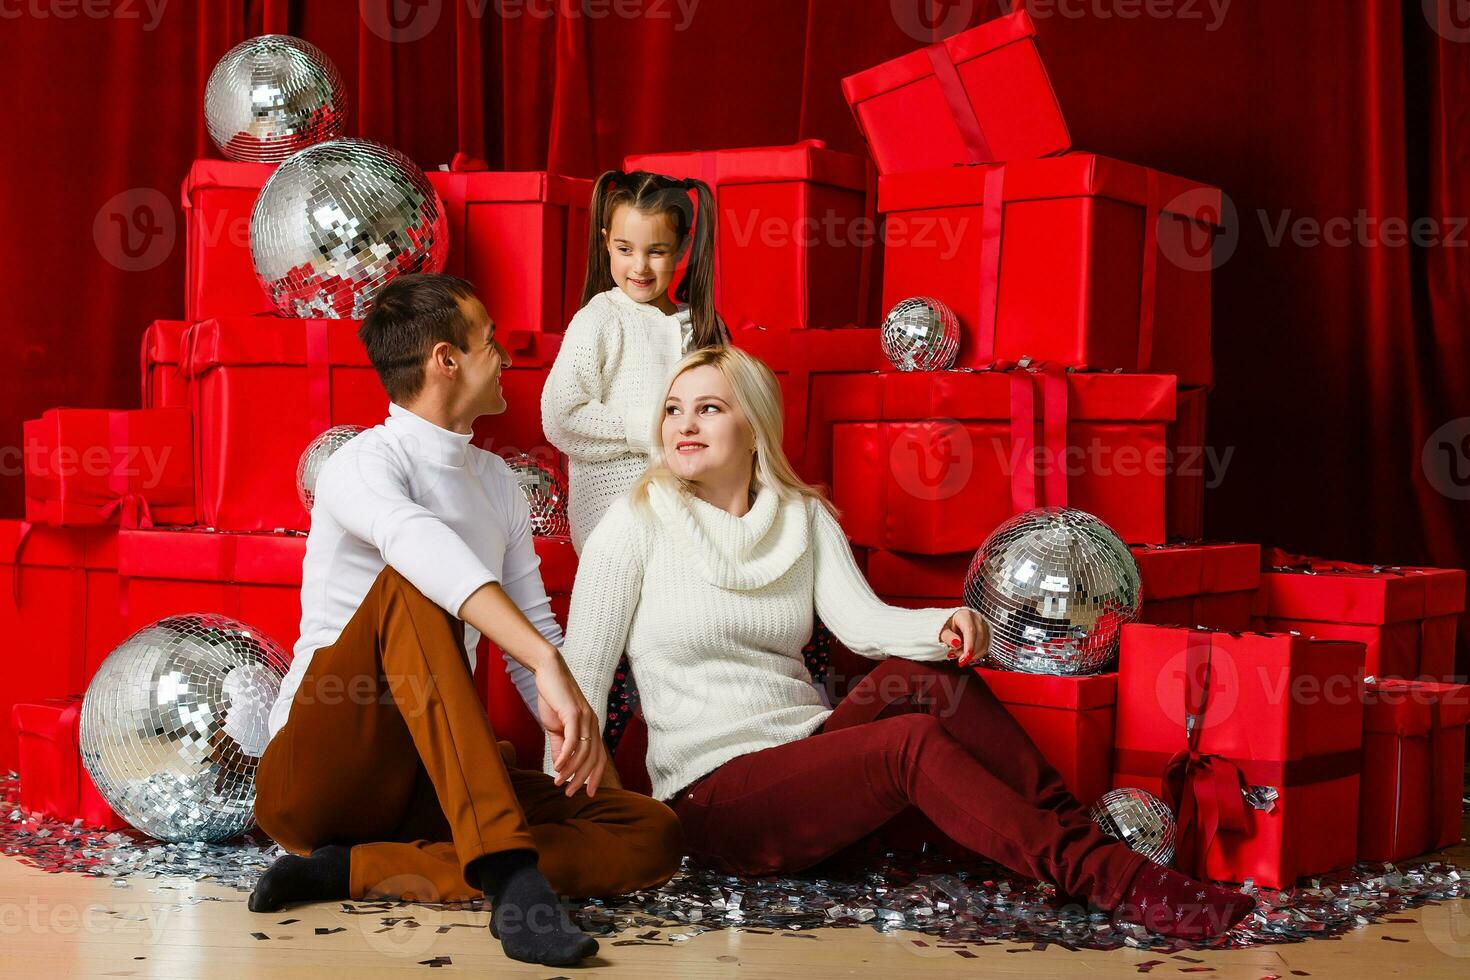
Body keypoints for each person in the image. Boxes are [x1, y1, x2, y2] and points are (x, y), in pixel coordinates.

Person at [547, 345, 1256, 942]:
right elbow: (578, 678)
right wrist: (574, 824)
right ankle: (1119, 883)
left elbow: (864, 625)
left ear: (755, 427)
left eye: (709, 407)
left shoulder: (801, 517)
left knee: (930, 683)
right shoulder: (632, 524)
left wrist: (943, 625)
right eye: (674, 408)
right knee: (906, 742)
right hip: (714, 798)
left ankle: (1080, 844)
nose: (683, 424)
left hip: (805, 752)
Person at [250, 273, 683, 968]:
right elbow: (417, 544)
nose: (504, 357)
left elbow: (531, 633)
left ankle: (356, 869)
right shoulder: (360, 464)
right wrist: (543, 662)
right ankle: (512, 879)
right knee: (414, 588)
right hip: (321, 776)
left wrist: (578, 720)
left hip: (431, 782)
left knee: (647, 829)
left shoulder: (497, 483)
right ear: (445, 360)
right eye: (490, 343)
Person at [541, 168, 727, 557]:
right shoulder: (599, 319)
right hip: (615, 519)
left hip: (695, 517)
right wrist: (653, 427)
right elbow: (562, 416)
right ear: (606, 242)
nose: (639, 267)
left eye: (656, 251)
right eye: (625, 250)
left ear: (682, 247)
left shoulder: (705, 327)